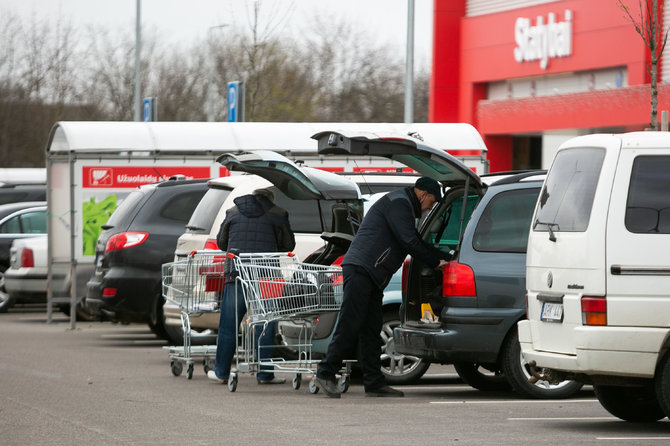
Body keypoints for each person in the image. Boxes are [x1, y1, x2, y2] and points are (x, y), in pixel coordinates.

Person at [315, 177, 450, 398]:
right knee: (351, 322)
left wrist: (445, 256)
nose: (430, 207)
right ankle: (326, 371)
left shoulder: (405, 205)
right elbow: (409, 242)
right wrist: (436, 263)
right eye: (432, 202)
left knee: (371, 328)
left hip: (372, 273)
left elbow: (415, 239)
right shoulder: (399, 203)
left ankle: (374, 381)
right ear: (423, 194)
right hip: (362, 269)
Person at [207, 188, 295, 385]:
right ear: (269, 199)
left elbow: (222, 243)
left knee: (229, 324)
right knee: (267, 322)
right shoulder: (278, 213)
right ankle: (265, 374)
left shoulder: (232, 212)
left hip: (237, 273)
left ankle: (221, 372)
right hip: (268, 274)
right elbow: (289, 245)